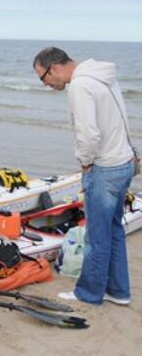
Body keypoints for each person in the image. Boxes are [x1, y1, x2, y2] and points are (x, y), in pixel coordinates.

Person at [33, 47, 136, 306]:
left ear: (54, 67)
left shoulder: (80, 85)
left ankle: (89, 294)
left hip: (105, 167)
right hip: (124, 161)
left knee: (96, 236)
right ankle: (118, 291)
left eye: (43, 77)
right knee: (113, 230)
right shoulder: (103, 75)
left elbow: (88, 133)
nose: (46, 84)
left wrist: (85, 161)